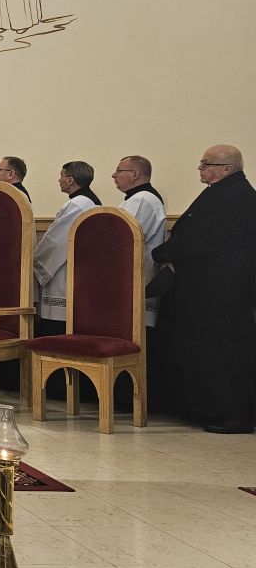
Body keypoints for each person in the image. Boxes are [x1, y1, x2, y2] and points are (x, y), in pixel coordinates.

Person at [152, 145, 256, 433]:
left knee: (222, 352)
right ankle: (203, 408)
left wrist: (162, 253)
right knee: (202, 348)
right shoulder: (222, 192)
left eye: (206, 164)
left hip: (222, 290)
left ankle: (232, 414)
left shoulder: (236, 197)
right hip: (206, 287)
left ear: (227, 168)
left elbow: (202, 238)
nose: (200, 168)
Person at [113, 155, 168, 413]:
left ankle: (131, 398)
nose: (114, 176)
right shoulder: (139, 199)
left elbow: (119, 239)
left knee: (135, 339)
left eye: (119, 170)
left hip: (136, 281)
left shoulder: (142, 200)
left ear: (135, 174)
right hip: (135, 280)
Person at [33, 161, 100, 336]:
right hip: (80, 272)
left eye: (61, 176)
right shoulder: (90, 202)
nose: (59, 180)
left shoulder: (78, 204)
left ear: (70, 180)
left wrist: (33, 263)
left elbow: (55, 241)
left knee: (57, 333)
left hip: (65, 275)